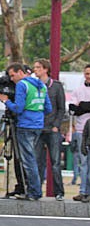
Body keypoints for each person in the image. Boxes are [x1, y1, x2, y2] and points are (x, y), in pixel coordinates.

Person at [0, 63, 52, 201]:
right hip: (37, 124)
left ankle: (34, 191)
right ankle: (34, 189)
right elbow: (48, 108)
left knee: (28, 160)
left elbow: (18, 108)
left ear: (20, 72)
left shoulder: (23, 85)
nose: (12, 79)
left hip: (25, 124)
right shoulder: (41, 85)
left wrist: (6, 101)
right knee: (32, 158)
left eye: (13, 75)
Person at [32, 58, 65, 201]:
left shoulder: (56, 86)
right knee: (37, 161)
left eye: (38, 67)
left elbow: (62, 108)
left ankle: (59, 192)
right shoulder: (34, 85)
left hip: (52, 129)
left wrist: (57, 125)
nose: (35, 70)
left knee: (55, 162)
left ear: (45, 69)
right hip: (38, 128)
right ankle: (36, 190)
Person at [69, 64, 90, 202]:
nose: (88, 76)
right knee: (84, 163)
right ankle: (84, 191)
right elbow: (72, 109)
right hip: (82, 129)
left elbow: (80, 107)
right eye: (87, 73)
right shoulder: (78, 90)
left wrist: (83, 106)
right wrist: (83, 107)